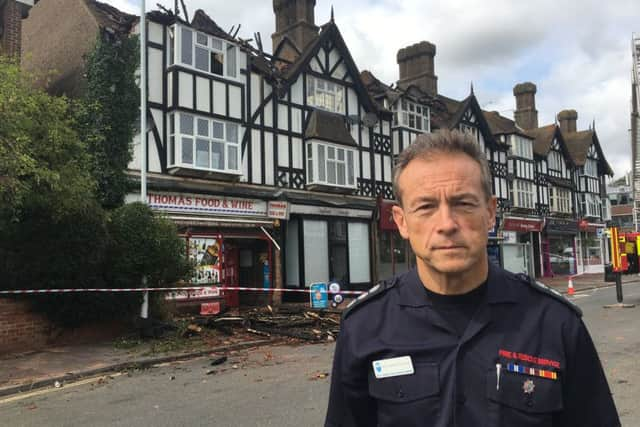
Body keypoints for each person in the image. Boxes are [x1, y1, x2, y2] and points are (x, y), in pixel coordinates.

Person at [324, 130, 620, 427]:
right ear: (401, 221)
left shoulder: (556, 324)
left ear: (490, 213)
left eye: (463, 203)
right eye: (426, 207)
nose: (447, 224)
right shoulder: (364, 327)